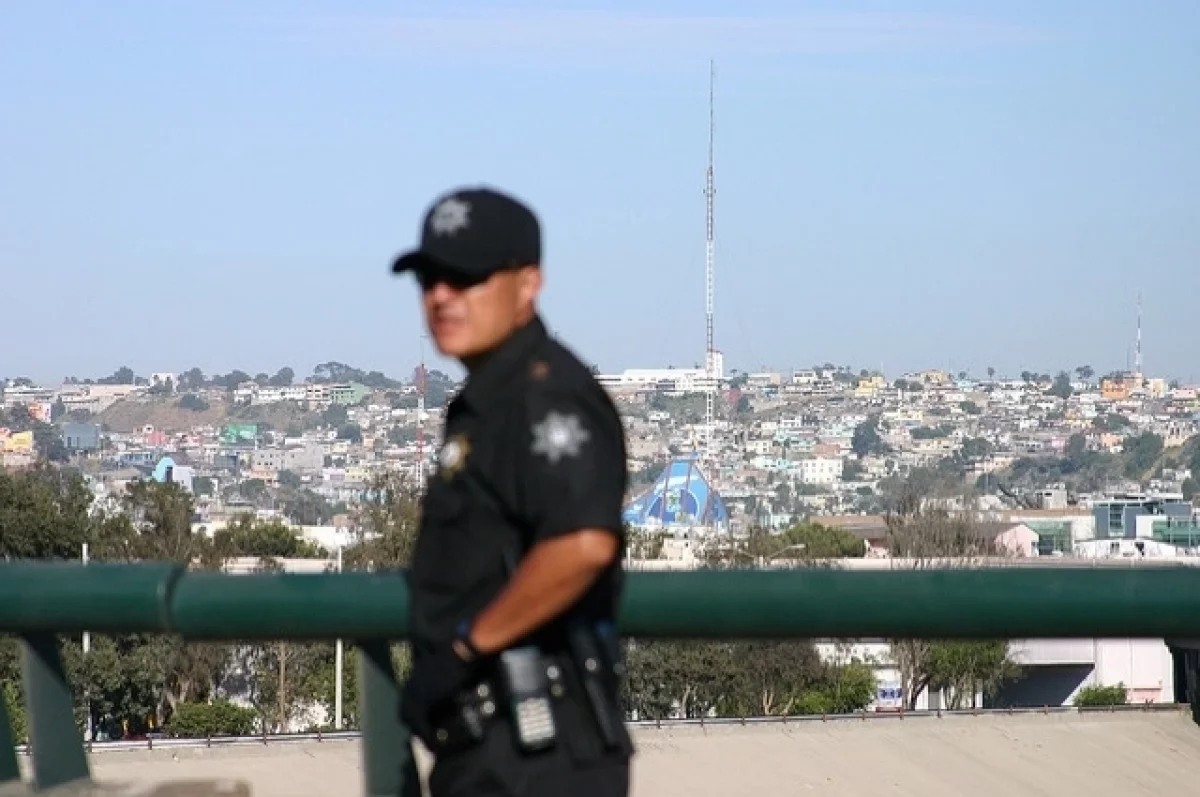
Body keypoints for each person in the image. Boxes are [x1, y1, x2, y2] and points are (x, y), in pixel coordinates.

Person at [391, 186, 634, 797]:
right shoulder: (492, 400)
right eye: (429, 279)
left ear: (528, 284)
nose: (441, 296)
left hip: (539, 750)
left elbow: (582, 543)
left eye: (466, 277)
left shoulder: (545, 397)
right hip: (491, 750)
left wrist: (466, 647)